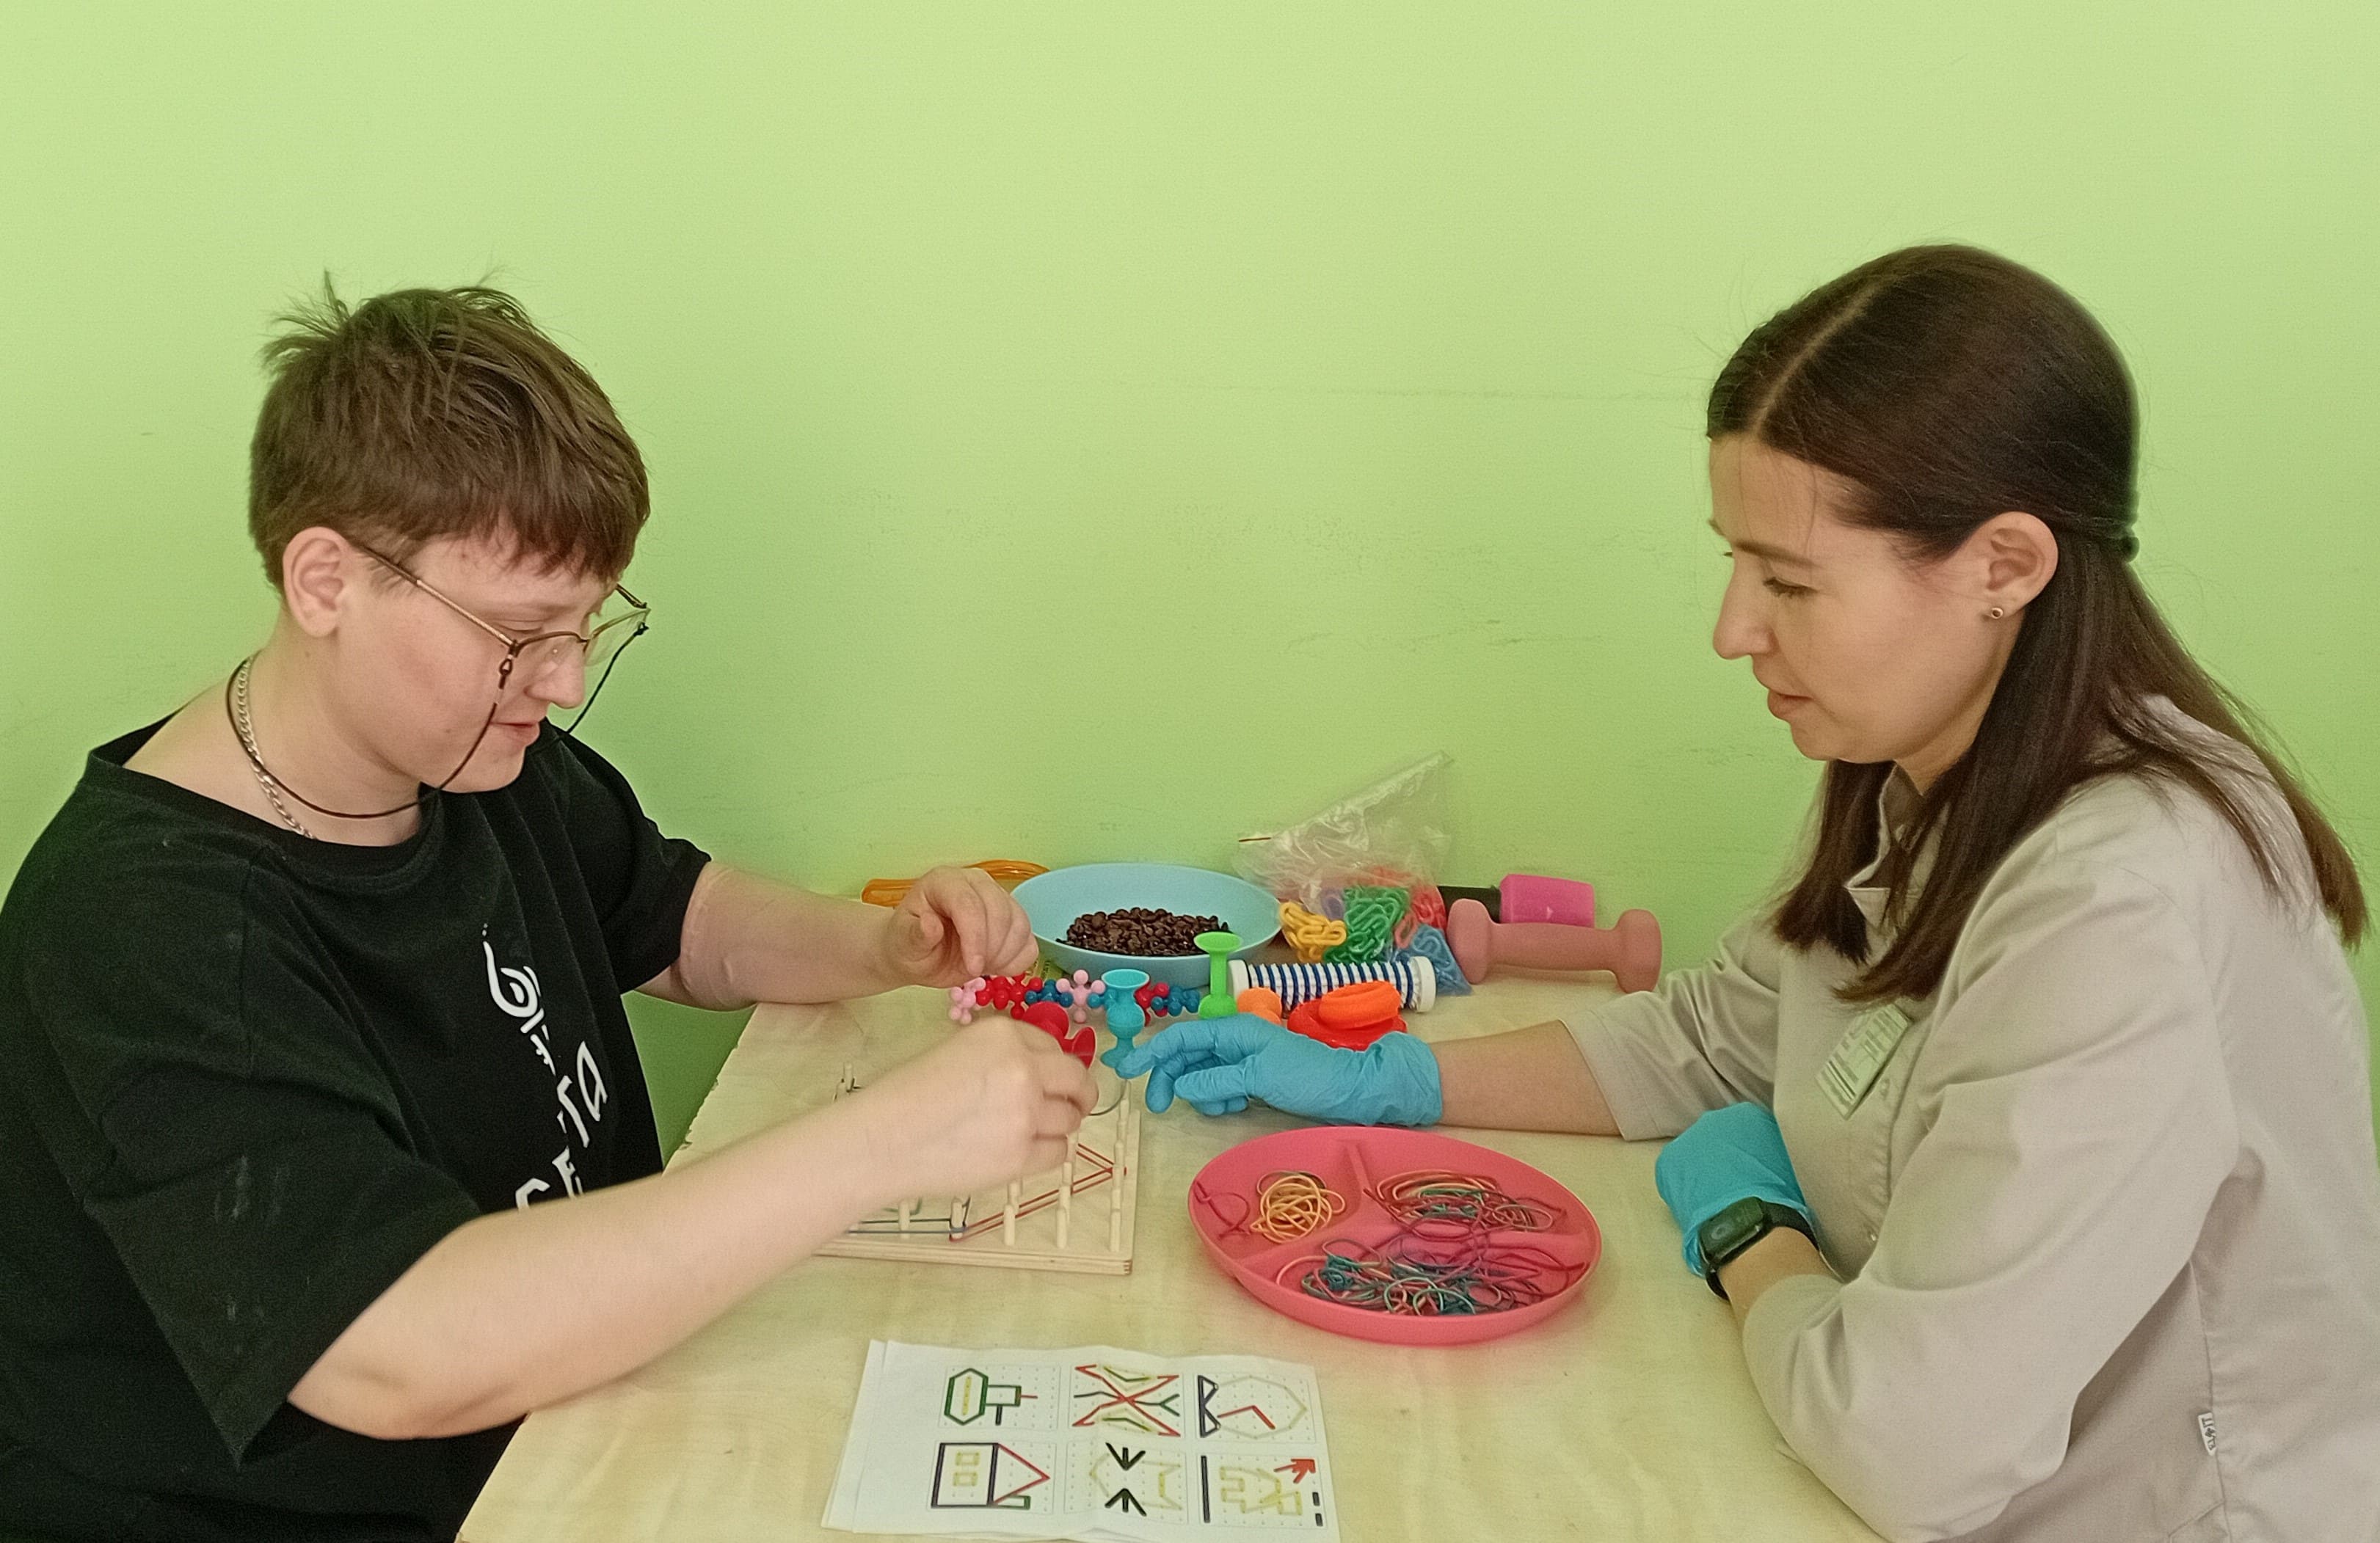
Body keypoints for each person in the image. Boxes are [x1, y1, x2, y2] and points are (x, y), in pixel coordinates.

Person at [1118, 246, 2380, 1542]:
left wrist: (1750, 1233)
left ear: (2004, 566)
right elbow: (1724, 1035)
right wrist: (1392, 1081)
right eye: (1738, 564)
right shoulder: (1923, 765)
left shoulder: (2124, 900)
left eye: (1788, 581)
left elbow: (1910, 1448)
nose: (1734, 629)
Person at [0, 286, 1096, 1540]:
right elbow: (390, 1349)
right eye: (521, 635)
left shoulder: (470, 756)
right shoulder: (146, 926)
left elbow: (677, 917)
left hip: (567, 1421)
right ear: (326, 581)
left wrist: (882, 947)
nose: (563, 683)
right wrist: (884, 1144)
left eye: (587, 627)